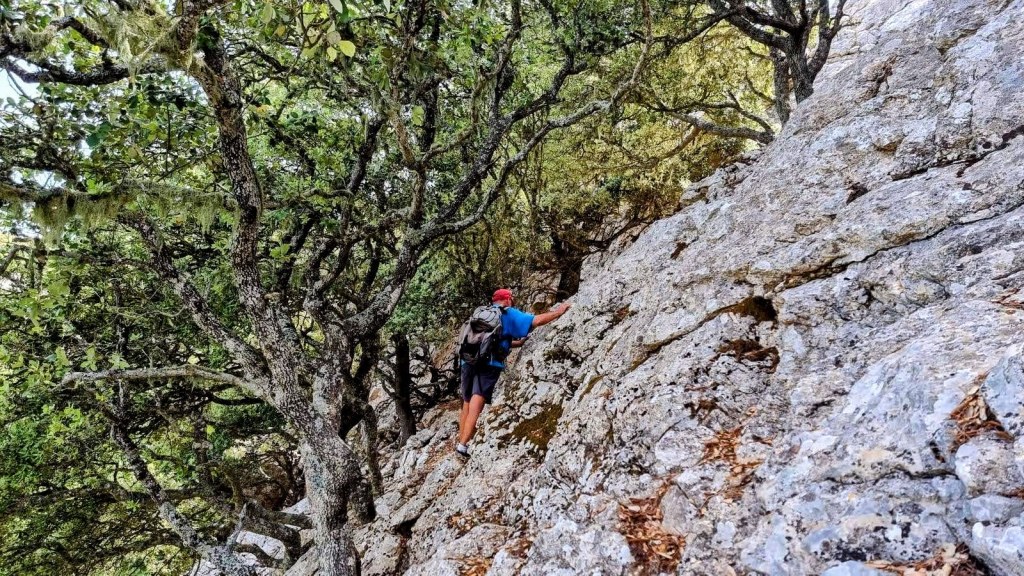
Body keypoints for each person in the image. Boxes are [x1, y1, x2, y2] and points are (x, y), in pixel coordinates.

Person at [455, 288, 572, 458]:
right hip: (489, 363)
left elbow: (494, 339)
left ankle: (461, 440)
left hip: (468, 360)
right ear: (507, 299)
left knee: (466, 401)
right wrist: (558, 312)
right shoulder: (507, 313)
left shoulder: (482, 313)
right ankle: (463, 445)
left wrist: (518, 343)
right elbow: (536, 321)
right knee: (476, 400)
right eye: (512, 298)